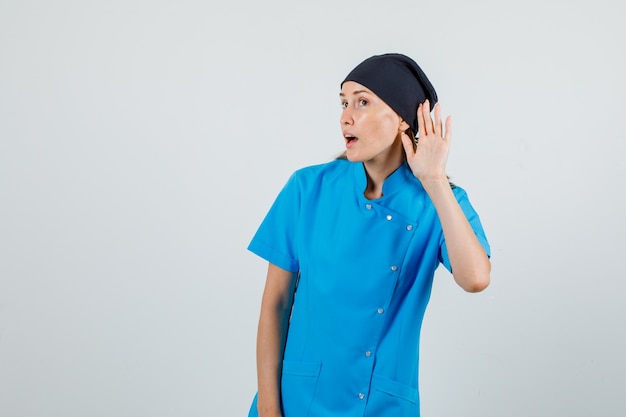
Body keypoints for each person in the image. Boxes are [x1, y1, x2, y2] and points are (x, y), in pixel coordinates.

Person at [246, 53, 491, 417]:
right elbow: (275, 305)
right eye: (344, 102)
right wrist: (268, 409)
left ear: (402, 120)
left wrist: (435, 180)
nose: (346, 115)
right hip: (298, 399)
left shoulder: (439, 203)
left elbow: (475, 279)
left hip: (382, 404)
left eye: (362, 102)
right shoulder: (307, 188)